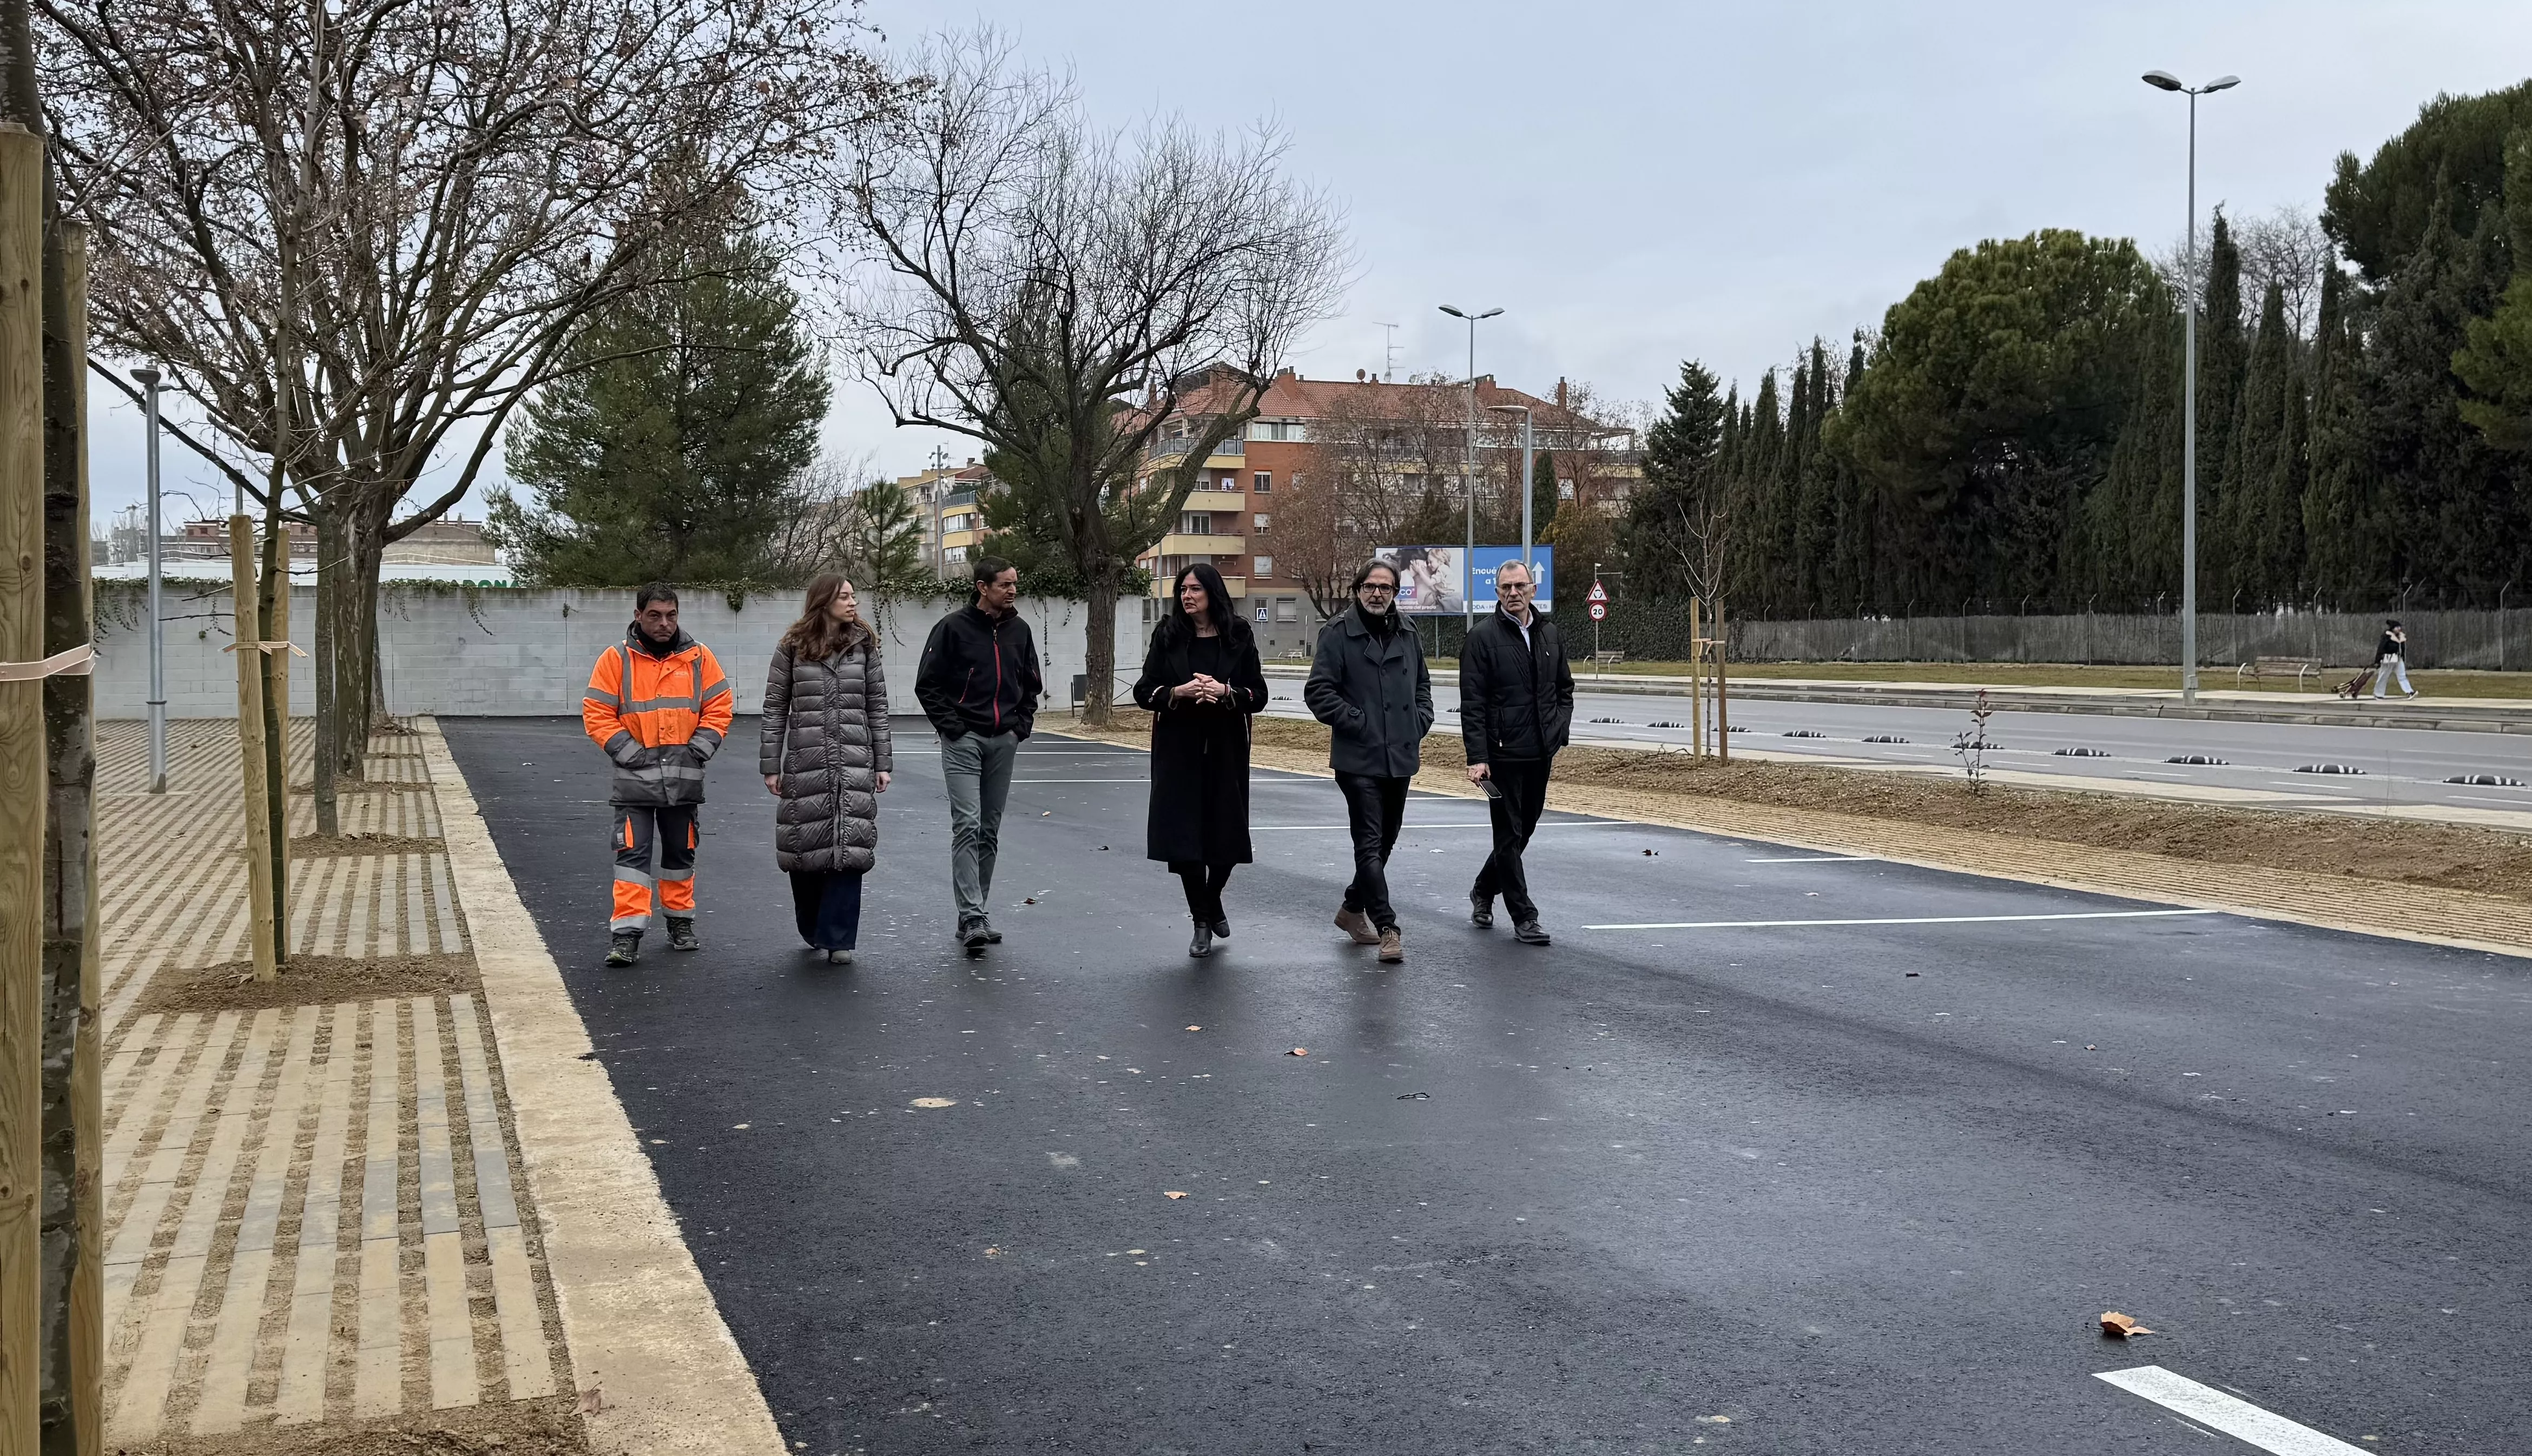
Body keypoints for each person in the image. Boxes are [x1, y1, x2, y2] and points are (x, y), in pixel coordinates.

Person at [581, 583, 734, 967]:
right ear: (638, 616)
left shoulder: (700, 659)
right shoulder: (616, 659)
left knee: (680, 854)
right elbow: (596, 713)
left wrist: (698, 749)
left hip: (683, 780)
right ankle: (626, 936)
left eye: (671, 615)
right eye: (655, 615)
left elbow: (720, 706)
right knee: (632, 857)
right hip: (635, 782)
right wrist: (631, 754)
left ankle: (680, 924)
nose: (664, 623)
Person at [1132, 562, 1269, 957]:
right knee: (1185, 838)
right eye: (1183, 589)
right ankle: (1201, 921)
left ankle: (1213, 898)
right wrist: (1178, 692)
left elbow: (1257, 694)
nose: (1187, 596)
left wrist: (1227, 692)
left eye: (1195, 589)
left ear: (1213, 593)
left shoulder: (1238, 634)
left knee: (1226, 835)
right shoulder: (1168, 634)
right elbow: (1144, 690)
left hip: (1226, 748)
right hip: (1179, 748)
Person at [1304, 558, 1432, 964]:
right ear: (1357, 590)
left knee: (1386, 840)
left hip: (1400, 756)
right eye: (1370, 587)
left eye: (1386, 588)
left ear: (1396, 592)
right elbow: (1318, 692)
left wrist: (1419, 721)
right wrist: (1356, 721)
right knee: (1370, 842)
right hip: (1358, 758)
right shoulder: (1338, 633)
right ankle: (1388, 925)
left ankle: (1351, 910)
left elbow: (1423, 686)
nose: (1378, 594)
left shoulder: (1409, 632)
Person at [762, 574, 892, 965]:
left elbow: (877, 706)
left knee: (851, 848)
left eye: (854, 596)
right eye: (845, 597)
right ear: (824, 601)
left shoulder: (864, 647)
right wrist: (772, 766)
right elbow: (774, 708)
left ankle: (839, 939)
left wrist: (883, 762)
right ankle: (814, 925)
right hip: (806, 763)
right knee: (804, 850)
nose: (853, 603)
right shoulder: (792, 647)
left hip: (854, 762)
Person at [915, 557, 1041, 951]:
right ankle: (972, 916)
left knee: (989, 830)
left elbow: (1031, 683)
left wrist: (1020, 726)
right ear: (982, 587)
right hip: (964, 739)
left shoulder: (1020, 631)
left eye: (1015, 583)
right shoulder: (953, 628)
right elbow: (928, 684)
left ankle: (976, 911)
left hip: (1003, 739)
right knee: (967, 824)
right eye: (1005, 584)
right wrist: (953, 728)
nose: (1013, 591)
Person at [1460, 559, 1574, 946]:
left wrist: (1559, 731)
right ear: (1496, 593)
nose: (1513, 593)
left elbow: (1564, 690)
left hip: (1540, 753)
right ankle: (1524, 916)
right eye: (1506, 587)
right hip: (1502, 756)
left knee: (1522, 833)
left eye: (1520, 586)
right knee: (1508, 837)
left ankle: (1482, 888)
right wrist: (1478, 757)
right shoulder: (1481, 638)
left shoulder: (1550, 634)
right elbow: (1472, 704)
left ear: (1532, 590)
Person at [2373, 619, 2416, 699]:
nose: (2399, 629)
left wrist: (2403, 657)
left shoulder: (2401, 637)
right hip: (2388, 660)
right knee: (2383, 676)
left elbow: (2402, 649)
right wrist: (2378, 660)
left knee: (2402, 676)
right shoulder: (2387, 636)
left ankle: (2409, 692)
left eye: (2399, 627)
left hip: (2398, 659)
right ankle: (2378, 694)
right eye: (2397, 627)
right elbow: (2381, 648)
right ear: (2393, 628)